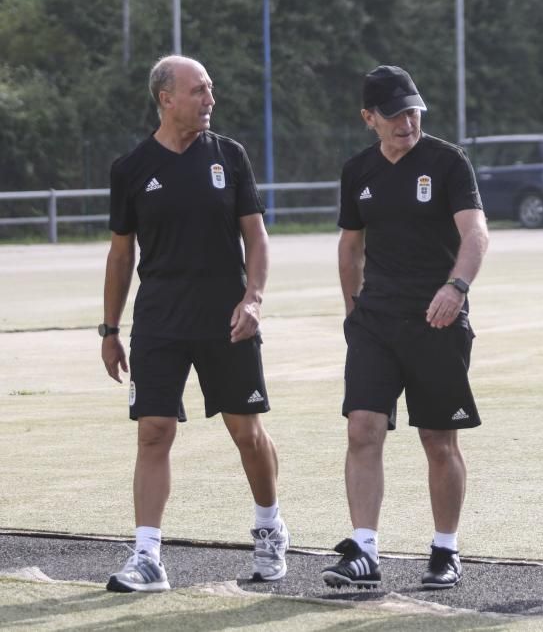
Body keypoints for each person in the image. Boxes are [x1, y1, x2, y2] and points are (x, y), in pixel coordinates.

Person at [101, 55, 289, 592]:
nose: (210, 99)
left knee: (246, 432)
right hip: (159, 319)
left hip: (227, 317)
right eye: (199, 90)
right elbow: (120, 257)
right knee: (153, 433)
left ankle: (270, 527)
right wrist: (109, 330)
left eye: (210, 89)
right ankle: (148, 557)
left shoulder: (228, 156)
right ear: (166, 98)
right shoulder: (131, 168)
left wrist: (254, 299)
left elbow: (255, 236)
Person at [321, 65, 489, 591]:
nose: (407, 122)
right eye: (394, 114)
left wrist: (455, 288)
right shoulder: (359, 171)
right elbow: (350, 246)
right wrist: (354, 311)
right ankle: (365, 550)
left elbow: (476, 233)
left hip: (437, 320)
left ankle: (445, 549)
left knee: (439, 439)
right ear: (369, 118)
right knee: (362, 429)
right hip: (375, 322)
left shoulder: (447, 162)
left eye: (413, 111)